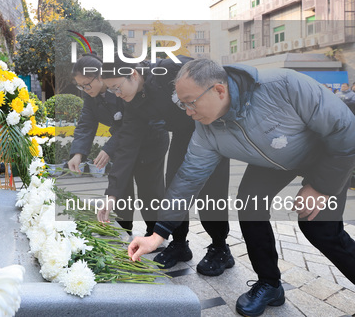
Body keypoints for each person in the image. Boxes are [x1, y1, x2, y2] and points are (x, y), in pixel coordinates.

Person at [128, 59, 355, 317]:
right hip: (274, 159)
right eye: (182, 104)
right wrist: (158, 234)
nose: (187, 112)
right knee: (249, 203)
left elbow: (346, 129)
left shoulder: (284, 85)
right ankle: (269, 284)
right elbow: (188, 178)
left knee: (320, 229)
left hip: (325, 154)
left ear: (219, 90)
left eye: (191, 102)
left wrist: (322, 187)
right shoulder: (205, 130)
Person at [99, 56, 233, 276]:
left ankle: (220, 247)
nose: (117, 94)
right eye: (112, 90)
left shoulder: (168, 69)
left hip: (209, 129)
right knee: (173, 188)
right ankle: (179, 244)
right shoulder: (132, 102)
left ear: (132, 74)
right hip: (183, 135)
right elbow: (127, 147)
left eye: (117, 87)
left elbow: (205, 73)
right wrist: (112, 193)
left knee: (211, 192)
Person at [67, 54, 169, 236]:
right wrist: (78, 153)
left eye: (86, 85)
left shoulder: (124, 87)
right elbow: (86, 123)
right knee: (121, 187)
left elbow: (132, 125)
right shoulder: (92, 97)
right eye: (80, 86)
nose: (84, 89)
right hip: (123, 146)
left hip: (150, 142)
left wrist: (109, 148)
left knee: (149, 190)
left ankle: (154, 233)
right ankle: (123, 228)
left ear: (100, 76)